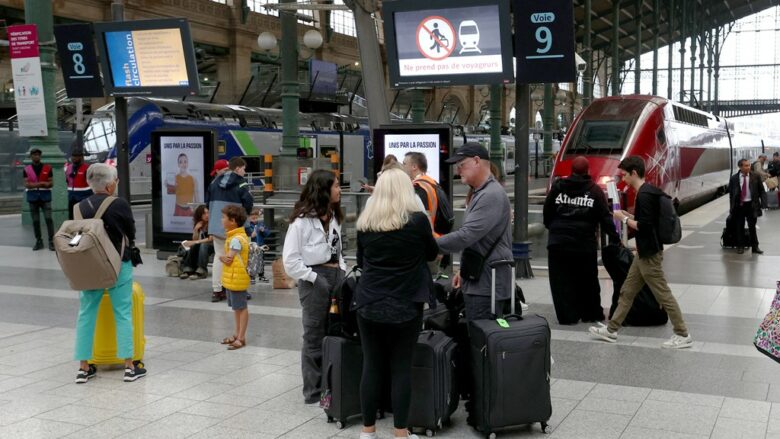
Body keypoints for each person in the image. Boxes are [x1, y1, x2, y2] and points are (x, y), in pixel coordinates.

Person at [353, 167, 437, 439]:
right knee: (401, 367)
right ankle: (400, 432)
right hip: (406, 303)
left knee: (372, 365)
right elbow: (431, 253)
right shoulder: (417, 222)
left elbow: (361, 262)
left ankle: (368, 431)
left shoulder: (366, 222)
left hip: (368, 302)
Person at [589, 155, 694, 349]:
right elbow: (649, 221)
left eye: (624, 175)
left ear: (634, 173)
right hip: (645, 252)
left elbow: (644, 227)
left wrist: (623, 218)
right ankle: (611, 330)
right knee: (627, 291)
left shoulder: (644, 195)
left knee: (663, 294)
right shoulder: (650, 191)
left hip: (650, 255)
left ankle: (682, 333)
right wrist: (629, 216)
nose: (623, 179)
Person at [73, 163, 147, 383]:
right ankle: (129, 367)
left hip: (90, 268)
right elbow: (131, 231)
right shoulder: (119, 204)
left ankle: (83, 368)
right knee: (123, 313)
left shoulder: (79, 207)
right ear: (109, 184)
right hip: (118, 266)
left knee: (86, 314)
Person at [282, 169, 346, 405]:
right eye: (336, 186)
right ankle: (313, 391)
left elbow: (339, 249)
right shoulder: (302, 222)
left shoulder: (334, 216)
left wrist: (342, 271)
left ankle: (332, 385)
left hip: (335, 276)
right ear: (324, 189)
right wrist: (314, 279)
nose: (340, 189)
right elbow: (290, 260)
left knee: (334, 331)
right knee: (314, 334)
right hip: (314, 279)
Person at [436, 143, 513, 321]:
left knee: (481, 340)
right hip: (480, 278)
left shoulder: (490, 195)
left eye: (461, 164)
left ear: (477, 161)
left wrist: (428, 245)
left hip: (487, 284)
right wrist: (463, 271)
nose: (458, 170)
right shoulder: (482, 192)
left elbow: (466, 235)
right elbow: (479, 240)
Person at [543, 156, 619, 324]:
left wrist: (554, 229)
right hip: (583, 244)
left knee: (561, 281)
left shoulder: (557, 187)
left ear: (571, 170)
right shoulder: (594, 191)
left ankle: (567, 316)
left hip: (558, 243)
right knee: (587, 280)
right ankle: (590, 314)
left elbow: (547, 212)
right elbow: (605, 218)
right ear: (588, 171)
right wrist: (615, 238)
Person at [205, 157, 253, 302]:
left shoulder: (214, 183)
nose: (244, 172)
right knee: (240, 257)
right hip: (237, 228)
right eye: (244, 169)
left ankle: (217, 290)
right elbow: (248, 204)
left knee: (219, 257)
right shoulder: (241, 183)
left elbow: (207, 203)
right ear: (237, 168)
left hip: (217, 225)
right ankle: (238, 289)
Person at [219, 204, 251, 350]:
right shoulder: (237, 236)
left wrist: (220, 257)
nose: (221, 220)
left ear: (232, 221)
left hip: (237, 277)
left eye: (223, 217)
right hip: (234, 277)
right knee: (237, 308)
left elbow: (228, 259)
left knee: (241, 308)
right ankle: (237, 334)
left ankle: (241, 337)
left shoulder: (236, 239)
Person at [728, 158, 765, 255]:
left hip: (751, 206)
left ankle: (755, 247)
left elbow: (762, 191)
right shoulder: (734, 178)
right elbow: (731, 194)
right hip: (739, 206)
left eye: (749, 165)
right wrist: (731, 208)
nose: (748, 167)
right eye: (746, 165)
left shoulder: (755, 176)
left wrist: (763, 203)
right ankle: (740, 246)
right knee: (739, 227)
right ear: (740, 167)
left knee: (752, 227)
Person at [22, 148, 55, 251]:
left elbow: (51, 183)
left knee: (48, 219)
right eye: (34, 155)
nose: (36, 156)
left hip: (45, 197)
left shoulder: (48, 168)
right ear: (31, 156)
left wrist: (35, 184)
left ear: (40, 156)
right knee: (35, 221)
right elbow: (26, 184)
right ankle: (39, 241)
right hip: (32, 198)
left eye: (38, 155)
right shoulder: (26, 169)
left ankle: (51, 241)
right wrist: (41, 184)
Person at [180, 205, 213, 280]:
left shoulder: (212, 223)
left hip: (213, 245)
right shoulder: (200, 223)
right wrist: (195, 229)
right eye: (204, 214)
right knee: (195, 245)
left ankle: (202, 270)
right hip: (204, 245)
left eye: (208, 213)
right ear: (199, 215)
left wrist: (196, 242)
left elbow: (211, 239)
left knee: (203, 245)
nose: (207, 215)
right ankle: (189, 268)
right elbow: (194, 238)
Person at [65, 148, 92, 220]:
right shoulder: (69, 168)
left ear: (81, 157)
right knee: (71, 218)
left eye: (76, 156)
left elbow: (91, 183)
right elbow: (67, 180)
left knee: (83, 218)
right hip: (71, 198)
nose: (74, 158)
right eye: (73, 156)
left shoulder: (87, 168)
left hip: (83, 198)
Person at [246, 208, 271, 284]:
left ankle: (261, 275)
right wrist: (251, 235)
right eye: (252, 218)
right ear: (249, 218)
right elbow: (248, 235)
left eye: (256, 218)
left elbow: (267, 233)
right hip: (252, 247)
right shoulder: (248, 226)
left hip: (260, 246)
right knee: (252, 262)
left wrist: (263, 230)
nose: (254, 220)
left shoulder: (261, 224)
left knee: (261, 261)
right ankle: (252, 276)